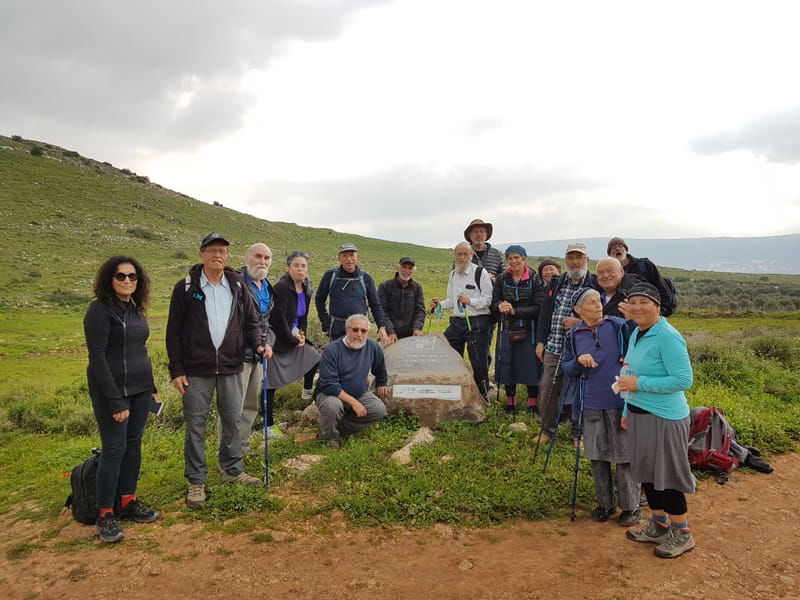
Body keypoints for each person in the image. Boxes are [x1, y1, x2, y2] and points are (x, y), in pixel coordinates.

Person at [166, 233, 267, 509]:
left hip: (232, 366)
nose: (218, 255)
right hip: (196, 369)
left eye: (222, 251)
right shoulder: (185, 288)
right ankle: (196, 481)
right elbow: (173, 331)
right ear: (202, 254)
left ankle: (232, 471)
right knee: (196, 426)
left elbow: (252, 320)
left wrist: (258, 344)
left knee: (233, 421)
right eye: (212, 251)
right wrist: (176, 370)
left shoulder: (236, 284)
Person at [84, 256, 159, 543]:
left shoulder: (135, 310)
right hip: (111, 392)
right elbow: (98, 359)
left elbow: (140, 351)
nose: (127, 281)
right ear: (109, 279)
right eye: (121, 276)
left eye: (133, 276)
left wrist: (150, 386)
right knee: (114, 449)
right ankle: (104, 513)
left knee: (133, 445)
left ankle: (128, 501)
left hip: (140, 389)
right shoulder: (99, 311)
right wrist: (115, 401)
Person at [618, 282, 696, 558]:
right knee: (648, 474)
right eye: (633, 301)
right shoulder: (637, 333)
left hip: (665, 417)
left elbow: (683, 380)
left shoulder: (667, 336)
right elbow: (628, 371)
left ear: (657, 306)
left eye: (644, 302)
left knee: (668, 476)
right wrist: (628, 411)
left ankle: (682, 532)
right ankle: (659, 524)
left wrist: (638, 383)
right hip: (639, 414)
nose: (638, 307)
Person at [560, 288, 640, 527]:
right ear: (578, 310)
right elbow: (566, 368)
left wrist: (633, 320)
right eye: (591, 302)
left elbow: (637, 346)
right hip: (590, 402)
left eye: (599, 301)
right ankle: (605, 504)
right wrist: (577, 361)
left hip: (620, 402)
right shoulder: (574, 334)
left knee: (624, 458)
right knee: (598, 457)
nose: (598, 305)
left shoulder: (618, 326)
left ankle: (631, 507)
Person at [535, 243, 597, 440]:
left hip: (582, 348)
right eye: (571, 257)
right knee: (547, 388)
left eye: (579, 257)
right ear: (566, 261)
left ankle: (580, 434)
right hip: (554, 345)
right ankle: (546, 430)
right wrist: (540, 341)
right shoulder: (557, 282)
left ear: (586, 260)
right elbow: (545, 313)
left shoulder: (594, 283)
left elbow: (603, 316)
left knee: (582, 390)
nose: (575, 261)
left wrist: (580, 322)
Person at [314, 314, 389, 448]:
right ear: (347, 330)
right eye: (355, 330)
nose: (359, 334)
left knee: (379, 410)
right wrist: (354, 403)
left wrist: (382, 383)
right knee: (332, 406)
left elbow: (380, 368)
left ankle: (341, 427)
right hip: (330, 394)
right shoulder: (332, 350)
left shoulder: (372, 346)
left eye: (363, 331)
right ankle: (329, 438)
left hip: (358, 393)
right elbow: (329, 384)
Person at [431, 242, 494, 399]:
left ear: (471, 255)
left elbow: (488, 299)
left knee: (478, 361)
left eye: (465, 254)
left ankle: (483, 396)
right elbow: (451, 301)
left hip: (477, 321)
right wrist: (439, 304)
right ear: (454, 255)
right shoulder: (453, 274)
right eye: (459, 254)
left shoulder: (480, 272)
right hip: (457, 322)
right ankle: (454, 393)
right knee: (450, 355)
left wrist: (470, 301)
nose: (462, 257)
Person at [267, 251, 321, 424]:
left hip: (295, 335)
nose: (300, 269)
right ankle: (268, 423)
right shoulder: (281, 287)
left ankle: (307, 391)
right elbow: (278, 318)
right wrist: (292, 339)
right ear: (289, 268)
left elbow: (303, 317)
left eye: (303, 266)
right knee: (271, 383)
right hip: (278, 340)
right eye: (296, 265)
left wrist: (302, 335)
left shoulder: (306, 288)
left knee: (314, 357)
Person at [491, 245, 544, 415]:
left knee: (531, 366)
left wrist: (515, 310)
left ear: (524, 258)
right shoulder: (501, 279)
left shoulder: (535, 278)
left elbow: (539, 306)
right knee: (508, 364)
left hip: (529, 329)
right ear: (506, 260)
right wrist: (501, 305)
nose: (514, 261)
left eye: (517, 257)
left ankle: (532, 403)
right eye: (510, 258)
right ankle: (510, 402)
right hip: (507, 327)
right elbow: (495, 300)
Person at [235, 243, 276, 446]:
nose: (262, 262)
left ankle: (241, 448)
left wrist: (266, 342)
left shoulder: (267, 286)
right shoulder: (236, 283)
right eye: (258, 256)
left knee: (251, 405)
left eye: (267, 258)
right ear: (247, 258)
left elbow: (265, 322)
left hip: (258, 355)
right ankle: (228, 455)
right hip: (238, 355)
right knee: (235, 406)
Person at [315, 243, 390, 343]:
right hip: (337, 328)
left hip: (359, 329)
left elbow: (375, 304)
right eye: (345, 256)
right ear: (339, 259)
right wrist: (326, 322)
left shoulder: (366, 278)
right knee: (338, 357)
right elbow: (319, 299)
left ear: (357, 258)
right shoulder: (330, 276)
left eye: (351, 255)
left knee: (359, 357)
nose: (349, 259)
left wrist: (381, 326)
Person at [607, 237, 674, 316]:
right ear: (610, 255)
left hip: (651, 313)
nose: (617, 249)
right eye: (613, 248)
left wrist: (660, 312)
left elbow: (662, 288)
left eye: (620, 246)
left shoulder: (644, 265)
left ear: (626, 250)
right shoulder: (612, 274)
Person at [378, 256, 426, 344]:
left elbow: (420, 311)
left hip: (411, 336)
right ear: (398, 268)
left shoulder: (417, 288)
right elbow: (382, 311)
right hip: (390, 335)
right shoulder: (385, 286)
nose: (407, 271)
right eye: (404, 267)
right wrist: (390, 331)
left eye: (410, 268)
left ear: (414, 271)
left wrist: (417, 328)